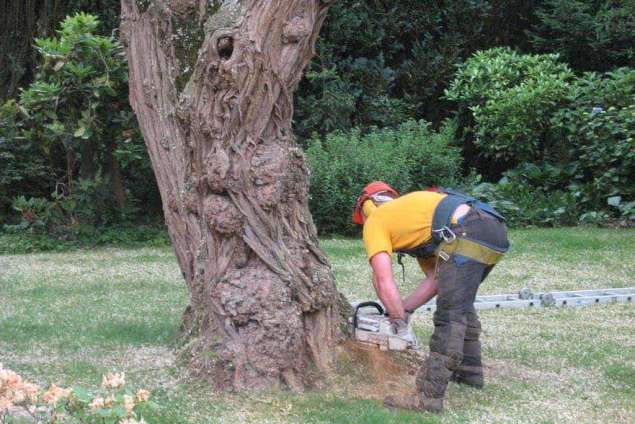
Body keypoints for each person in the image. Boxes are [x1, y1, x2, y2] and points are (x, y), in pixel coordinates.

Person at [352, 181, 509, 413]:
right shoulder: (413, 218)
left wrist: (397, 323)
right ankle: (469, 372)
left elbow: (384, 281)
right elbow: (437, 280)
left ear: (364, 209)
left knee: (450, 316)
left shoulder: (375, 220)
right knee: (459, 301)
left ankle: (427, 398)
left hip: (467, 229)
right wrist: (404, 310)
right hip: (493, 227)